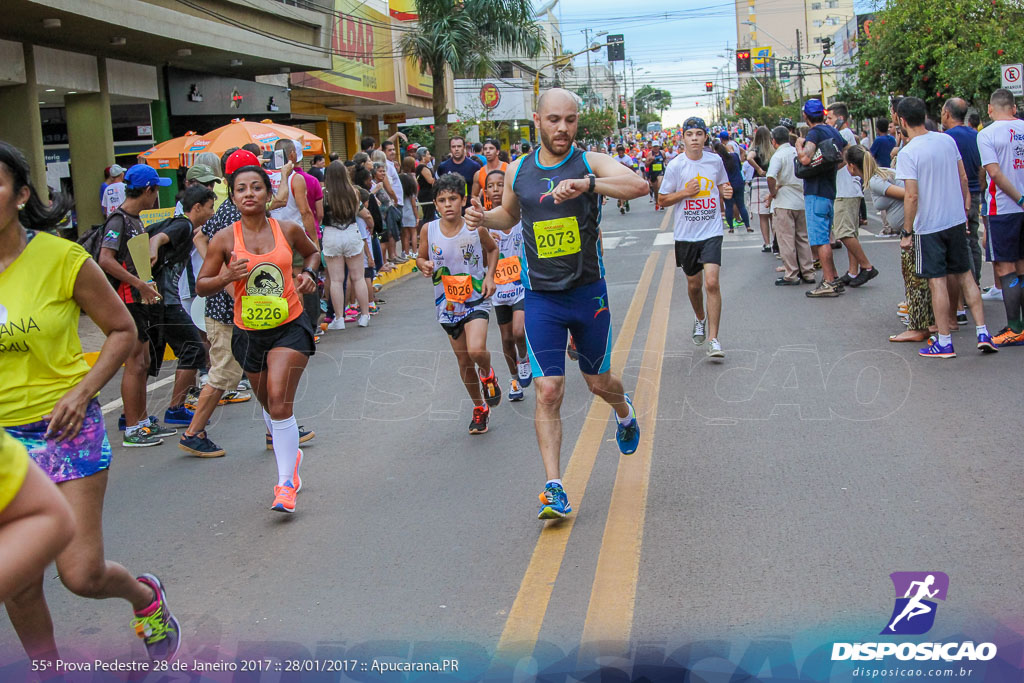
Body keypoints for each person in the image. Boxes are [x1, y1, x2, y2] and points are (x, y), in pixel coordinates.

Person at [0, 141, 180, 661]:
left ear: (21, 195)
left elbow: (121, 331)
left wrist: (83, 392)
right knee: (19, 583)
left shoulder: (62, 258)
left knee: (81, 574)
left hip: (63, 430)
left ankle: (145, 598)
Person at [465, 88, 648, 520]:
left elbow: (639, 184)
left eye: (569, 119)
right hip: (542, 297)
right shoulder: (517, 170)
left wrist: (588, 185)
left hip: (588, 293)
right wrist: (481, 219)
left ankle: (624, 412)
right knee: (548, 390)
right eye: (553, 120)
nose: (562, 127)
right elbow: (509, 216)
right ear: (537, 120)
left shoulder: (588, 162)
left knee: (598, 382)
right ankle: (553, 487)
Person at [196, 160, 320, 513]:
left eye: (256, 187)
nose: (249, 194)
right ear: (233, 197)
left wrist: (309, 274)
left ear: (269, 193)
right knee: (269, 403)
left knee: (280, 399)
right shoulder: (224, 239)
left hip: (290, 325)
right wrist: (226, 277)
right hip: (248, 333)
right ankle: (290, 456)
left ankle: (284, 486)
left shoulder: (287, 229)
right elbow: (202, 285)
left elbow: (312, 253)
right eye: (241, 189)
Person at [893, 96, 996, 358]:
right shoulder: (946, 140)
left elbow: (912, 196)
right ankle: (983, 332)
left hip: (929, 226)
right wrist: (963, 206)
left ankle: (945, 341)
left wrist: (907, 232)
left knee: (936, 282)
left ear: (902, 121)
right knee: (965, 276)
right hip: (954, 220)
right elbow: (962, 176)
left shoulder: (908, 152)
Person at [97, 164, 178, 447]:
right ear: (147, 190)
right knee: (135, 363)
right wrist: (139, 283)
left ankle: (142, 421)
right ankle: (133, 427)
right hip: (127, 301)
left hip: (139, 298)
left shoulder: (134, 219)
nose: (156, 196)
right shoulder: (118, 221)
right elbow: (104, 260)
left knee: (142, 363)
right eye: (156, 190)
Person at [415, 173, 502, 434]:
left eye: (453, 198)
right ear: (436, 204)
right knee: (464, 362)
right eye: (442, 200)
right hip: (447, 304)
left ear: (463, 200)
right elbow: (419, 258)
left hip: (476, 298)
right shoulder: (427, 230)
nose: (448, 204)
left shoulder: (475, 226)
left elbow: (493, 249)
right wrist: (424, 265)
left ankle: (487, 373)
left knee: (477, 351)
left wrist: (489, 277)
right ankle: (479, 408)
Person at [658, 117, 732, 358]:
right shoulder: (676, 166)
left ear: (705, 137)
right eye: (690, 134)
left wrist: (727, 191)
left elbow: (723, 185)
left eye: (699, 134)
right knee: (694, 285)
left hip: (711, 230)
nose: (694, 139)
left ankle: (714, 339)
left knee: (711, 282)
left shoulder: (715, 161)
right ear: (683, 138)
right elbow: (662, 199)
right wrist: (685, 193)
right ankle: (700, 317)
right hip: (686, 234)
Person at [846, 144, 934, 342]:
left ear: (852, 167)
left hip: (912, 231)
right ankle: (926, 319)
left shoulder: (877, 181)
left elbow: (909, 195)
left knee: (914, 277)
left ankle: (919, 324)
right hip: (915, 228)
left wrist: (907, 231)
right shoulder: (885, 173)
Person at [146, 185, 216, 426]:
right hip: (167, 302)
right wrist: (153, 249)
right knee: (194, 349)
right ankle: (175, 408)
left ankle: (132, 416)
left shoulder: (183, 225)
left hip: (156, 301)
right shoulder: (183, 225)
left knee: (145, 359)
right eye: (210, 208)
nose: (212, 212)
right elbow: (157, 238)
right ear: (196, 207)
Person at [0, 432, 75, 603]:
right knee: (22, 590)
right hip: (11, 430)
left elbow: (53, 519)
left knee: (81, 576)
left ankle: (143, 596)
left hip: (67, 432)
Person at [976, 89, 1024, 346]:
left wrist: (1019, 198)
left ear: (990, 110)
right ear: (1014, 108)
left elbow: (993, 172)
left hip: (1004, 209)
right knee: (1022, 267)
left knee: (1006, 269)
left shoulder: (987, 134)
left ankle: (1015, 328)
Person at [485, 169, 531, 401]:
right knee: (505, 339)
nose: (496, 190)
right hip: (498, 289)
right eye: (491, 186)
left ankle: (524, 358)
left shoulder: (522, 216)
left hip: (521, 285)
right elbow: (479, 261)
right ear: (485, 192)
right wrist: (485, 244)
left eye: (500, 185)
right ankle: (514, 379)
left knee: (518, 331)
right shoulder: (483, 223)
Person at [796, 98, 848, 297]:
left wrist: (799, 145)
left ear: (805, 116)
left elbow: (805, 159)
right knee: (825, 236)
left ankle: (828, 282)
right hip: (828, 190)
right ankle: (833, 276)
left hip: (815, 191)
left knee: (820, 240)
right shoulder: (833, 130)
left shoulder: (815, 133)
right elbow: (843, 155)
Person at [826, 103, 878, 288]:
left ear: (840, 119)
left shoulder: (843, 134)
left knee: (844, 232)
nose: (827, 122)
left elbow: (839, 159)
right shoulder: (844, 135)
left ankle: (867, 266)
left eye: (830, 118)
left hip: (845, 191)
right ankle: (852, 270)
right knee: (851, 232)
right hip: (848, 190)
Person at [321, 160, 372, 330]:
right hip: (351, 231)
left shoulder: (324, 194)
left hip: (331, 233)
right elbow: (359, 212)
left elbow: (320, 215)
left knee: (336, 280)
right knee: (358, 277)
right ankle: (364, 315)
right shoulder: (354, 192)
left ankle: (339, 318)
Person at [766, 125, 814, 285]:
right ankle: (808, 272)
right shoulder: (797, 152)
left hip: (784, 201)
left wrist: (772, 192)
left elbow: (771, 176)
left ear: (774, 141)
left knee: (786, 239)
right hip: (801, 199)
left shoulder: (778, 156)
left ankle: (791, 273)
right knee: (803, 238)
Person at [746, 126, 775, 251]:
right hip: (772, 181)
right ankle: (776, 243)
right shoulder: (773, 150)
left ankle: (767, 243)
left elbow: (748, 157)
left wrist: (758, 169)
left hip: (759, 182)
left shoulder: (756, 149)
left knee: (763, 216)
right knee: (773, 215)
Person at [712, 139, 750, 233]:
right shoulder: (734, 156)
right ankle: (747, 226)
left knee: (729, 206)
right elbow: (740, 167)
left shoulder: (719, 161)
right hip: (738, 182)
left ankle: (731, 227)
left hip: (727, 184)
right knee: (741, 205)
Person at [436, 136, 482, 208]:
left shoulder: (474, 166)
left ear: (464, 148)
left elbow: (481, 188)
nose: (456, 149)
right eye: (453, 147)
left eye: (459, 146)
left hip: (469, 208)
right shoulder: (443, 166)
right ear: (450, 149)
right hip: (450, 208)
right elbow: (437, 188)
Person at [472, 139, 508, 209]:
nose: (488, 151)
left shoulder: (508, 169)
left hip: (506, 211)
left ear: (497, 151)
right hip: (488, 212)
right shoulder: (479, 174)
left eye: (491, 148)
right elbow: (474, 195)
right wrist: (480, 207)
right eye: (485, 149)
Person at [400, 158, 421, 258]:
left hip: (402, 211)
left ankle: (406, 252)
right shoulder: (411, 179)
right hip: (410, 212)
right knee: (413, 232)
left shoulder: (400, 178)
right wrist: (417, 216)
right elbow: (413, 203)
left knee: (405, 234)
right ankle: (415, 252)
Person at [415, 146, 436, 224]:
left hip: (427, 193)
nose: (430, 156)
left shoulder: (424, 167)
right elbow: (430, 180)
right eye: (428, 154)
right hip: (426, 194)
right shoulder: (422, 167)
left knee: (430, 215)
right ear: (423, 156)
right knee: (429, 216)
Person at [646, 142, 667, 210]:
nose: (655, 148)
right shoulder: (650, 154)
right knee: (655, 189)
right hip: (653, 173)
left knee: (659, 185)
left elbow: (664, 159)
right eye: (654, 147)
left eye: (656, 147)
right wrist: (651, 160)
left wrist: (665, 163)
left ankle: (662, 203)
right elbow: (646, 165)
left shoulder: (662, 153)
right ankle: (657, 201)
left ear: (659, 147)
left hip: (660, 172)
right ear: (652, 147)